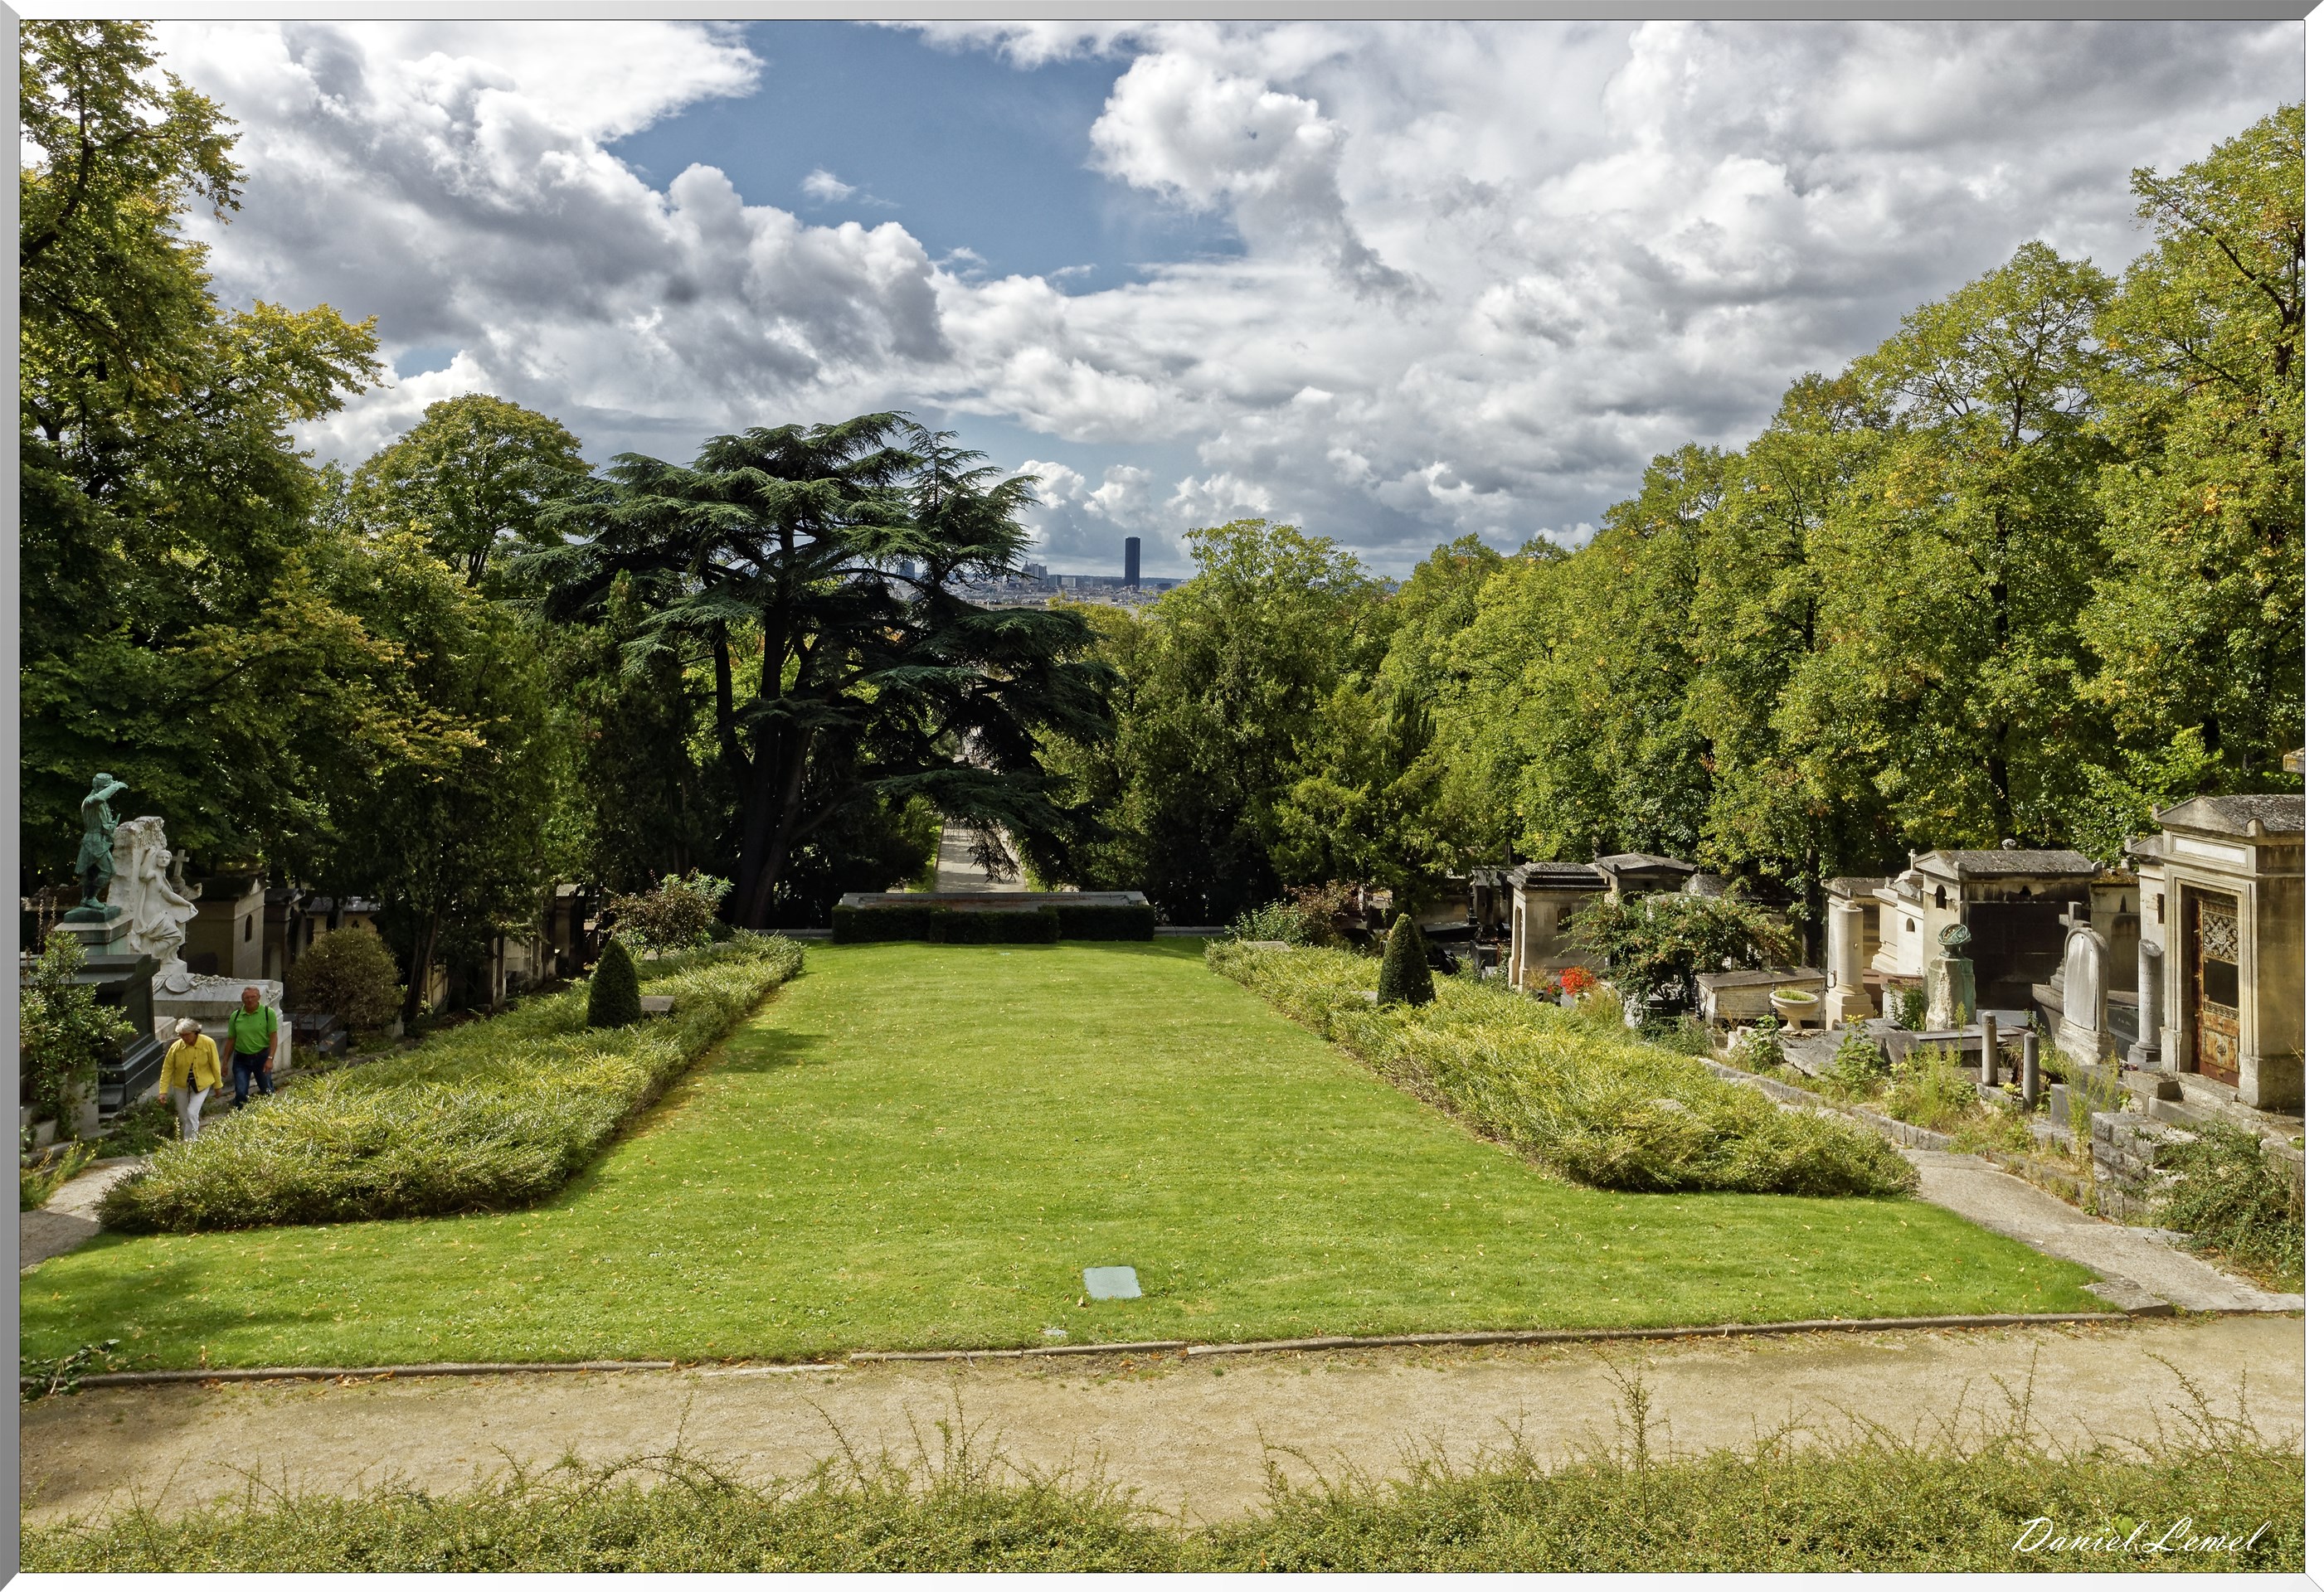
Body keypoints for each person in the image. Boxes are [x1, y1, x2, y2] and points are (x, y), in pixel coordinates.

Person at [161, 1018, 221, 1140]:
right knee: (184, 1117)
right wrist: (163, 1091)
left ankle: (191, 1142)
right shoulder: (176, 1047)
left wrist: (218, 1086)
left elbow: (215, 1065)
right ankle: (190, 1139)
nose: (184, 1038)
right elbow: (167, 1069)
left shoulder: (208, 1043)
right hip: (181, 1085)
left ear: (195, 1032)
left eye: (187, 1035)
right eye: (181, 1035)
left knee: (192, 1113)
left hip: (203, 1083)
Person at [225, 985, 279, 1109]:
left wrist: (270, 1058)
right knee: (241, 1092)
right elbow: (231, 1039)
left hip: (262, 1057)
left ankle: (272, 1113)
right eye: (246, 998)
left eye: (253, 997)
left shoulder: (267, 1013)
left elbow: (273, 1037)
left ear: (259, 997)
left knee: (267, 1089)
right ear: (243, 1000)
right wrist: (225, 1062)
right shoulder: (236, 1015)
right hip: (241, 1059)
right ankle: (241, 1116)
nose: (250, 1000)